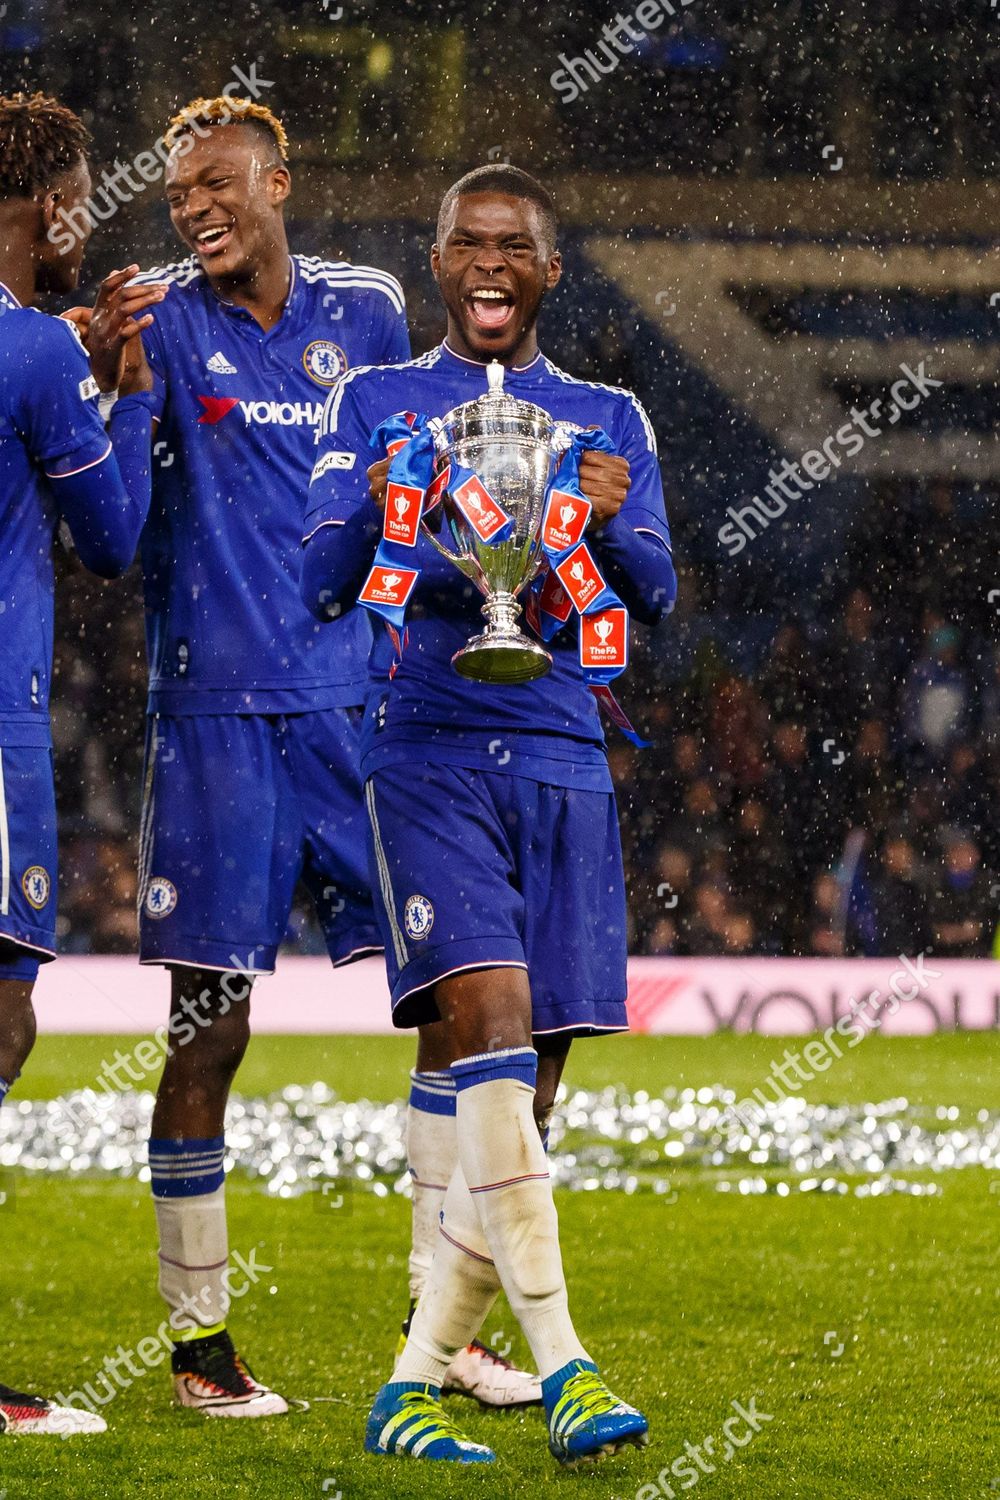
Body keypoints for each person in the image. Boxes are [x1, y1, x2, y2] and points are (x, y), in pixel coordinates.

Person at [84, 95, 535, 1418]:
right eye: (179, 197)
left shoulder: (371, 311)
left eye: (220, 185)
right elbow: (113, 533)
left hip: (363, 720)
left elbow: (409, 499)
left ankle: (439, 1331)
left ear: (280, 181)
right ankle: (197, 1354)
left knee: (452, 1018)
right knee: (205, 1037)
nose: (197, 209)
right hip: (220, 719)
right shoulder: (155, 319)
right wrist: (114, 395)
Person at [302, 164, 676, 1466]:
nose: (491, 265)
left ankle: (410, 1387)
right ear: (443, 257)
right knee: (493, 1033)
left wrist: (613, 526)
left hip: (565, 753)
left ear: (549, 268)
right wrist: (388, 491)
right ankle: (569, 1362)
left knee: (529, 1081)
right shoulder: (379, 397)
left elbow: (656, 594)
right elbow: (320, 580)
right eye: (469, 243)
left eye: (516, 246)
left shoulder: (605, 414)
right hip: (429, 753)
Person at [0, 90, 160, 1434]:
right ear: (52, 208)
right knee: (0, 1022)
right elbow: (109, 539)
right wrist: (124, 396)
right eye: (85, 198)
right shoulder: (39, 356)